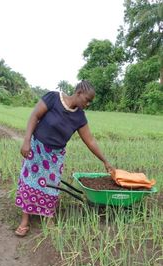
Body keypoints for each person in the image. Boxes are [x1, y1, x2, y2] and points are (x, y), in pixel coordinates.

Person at [15, 80, 114, 236]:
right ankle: (25, 220)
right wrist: (26, 140)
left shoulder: (80, 117)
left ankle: (48, 217)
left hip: (55, 156)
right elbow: (34, 116)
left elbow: (90, 140)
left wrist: (105, 161)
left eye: (90, 102)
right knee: (29, 181)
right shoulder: (53, 98)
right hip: (36, 148)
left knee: (51, 186)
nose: (88, 104)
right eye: (87, 100)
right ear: (79, 92)